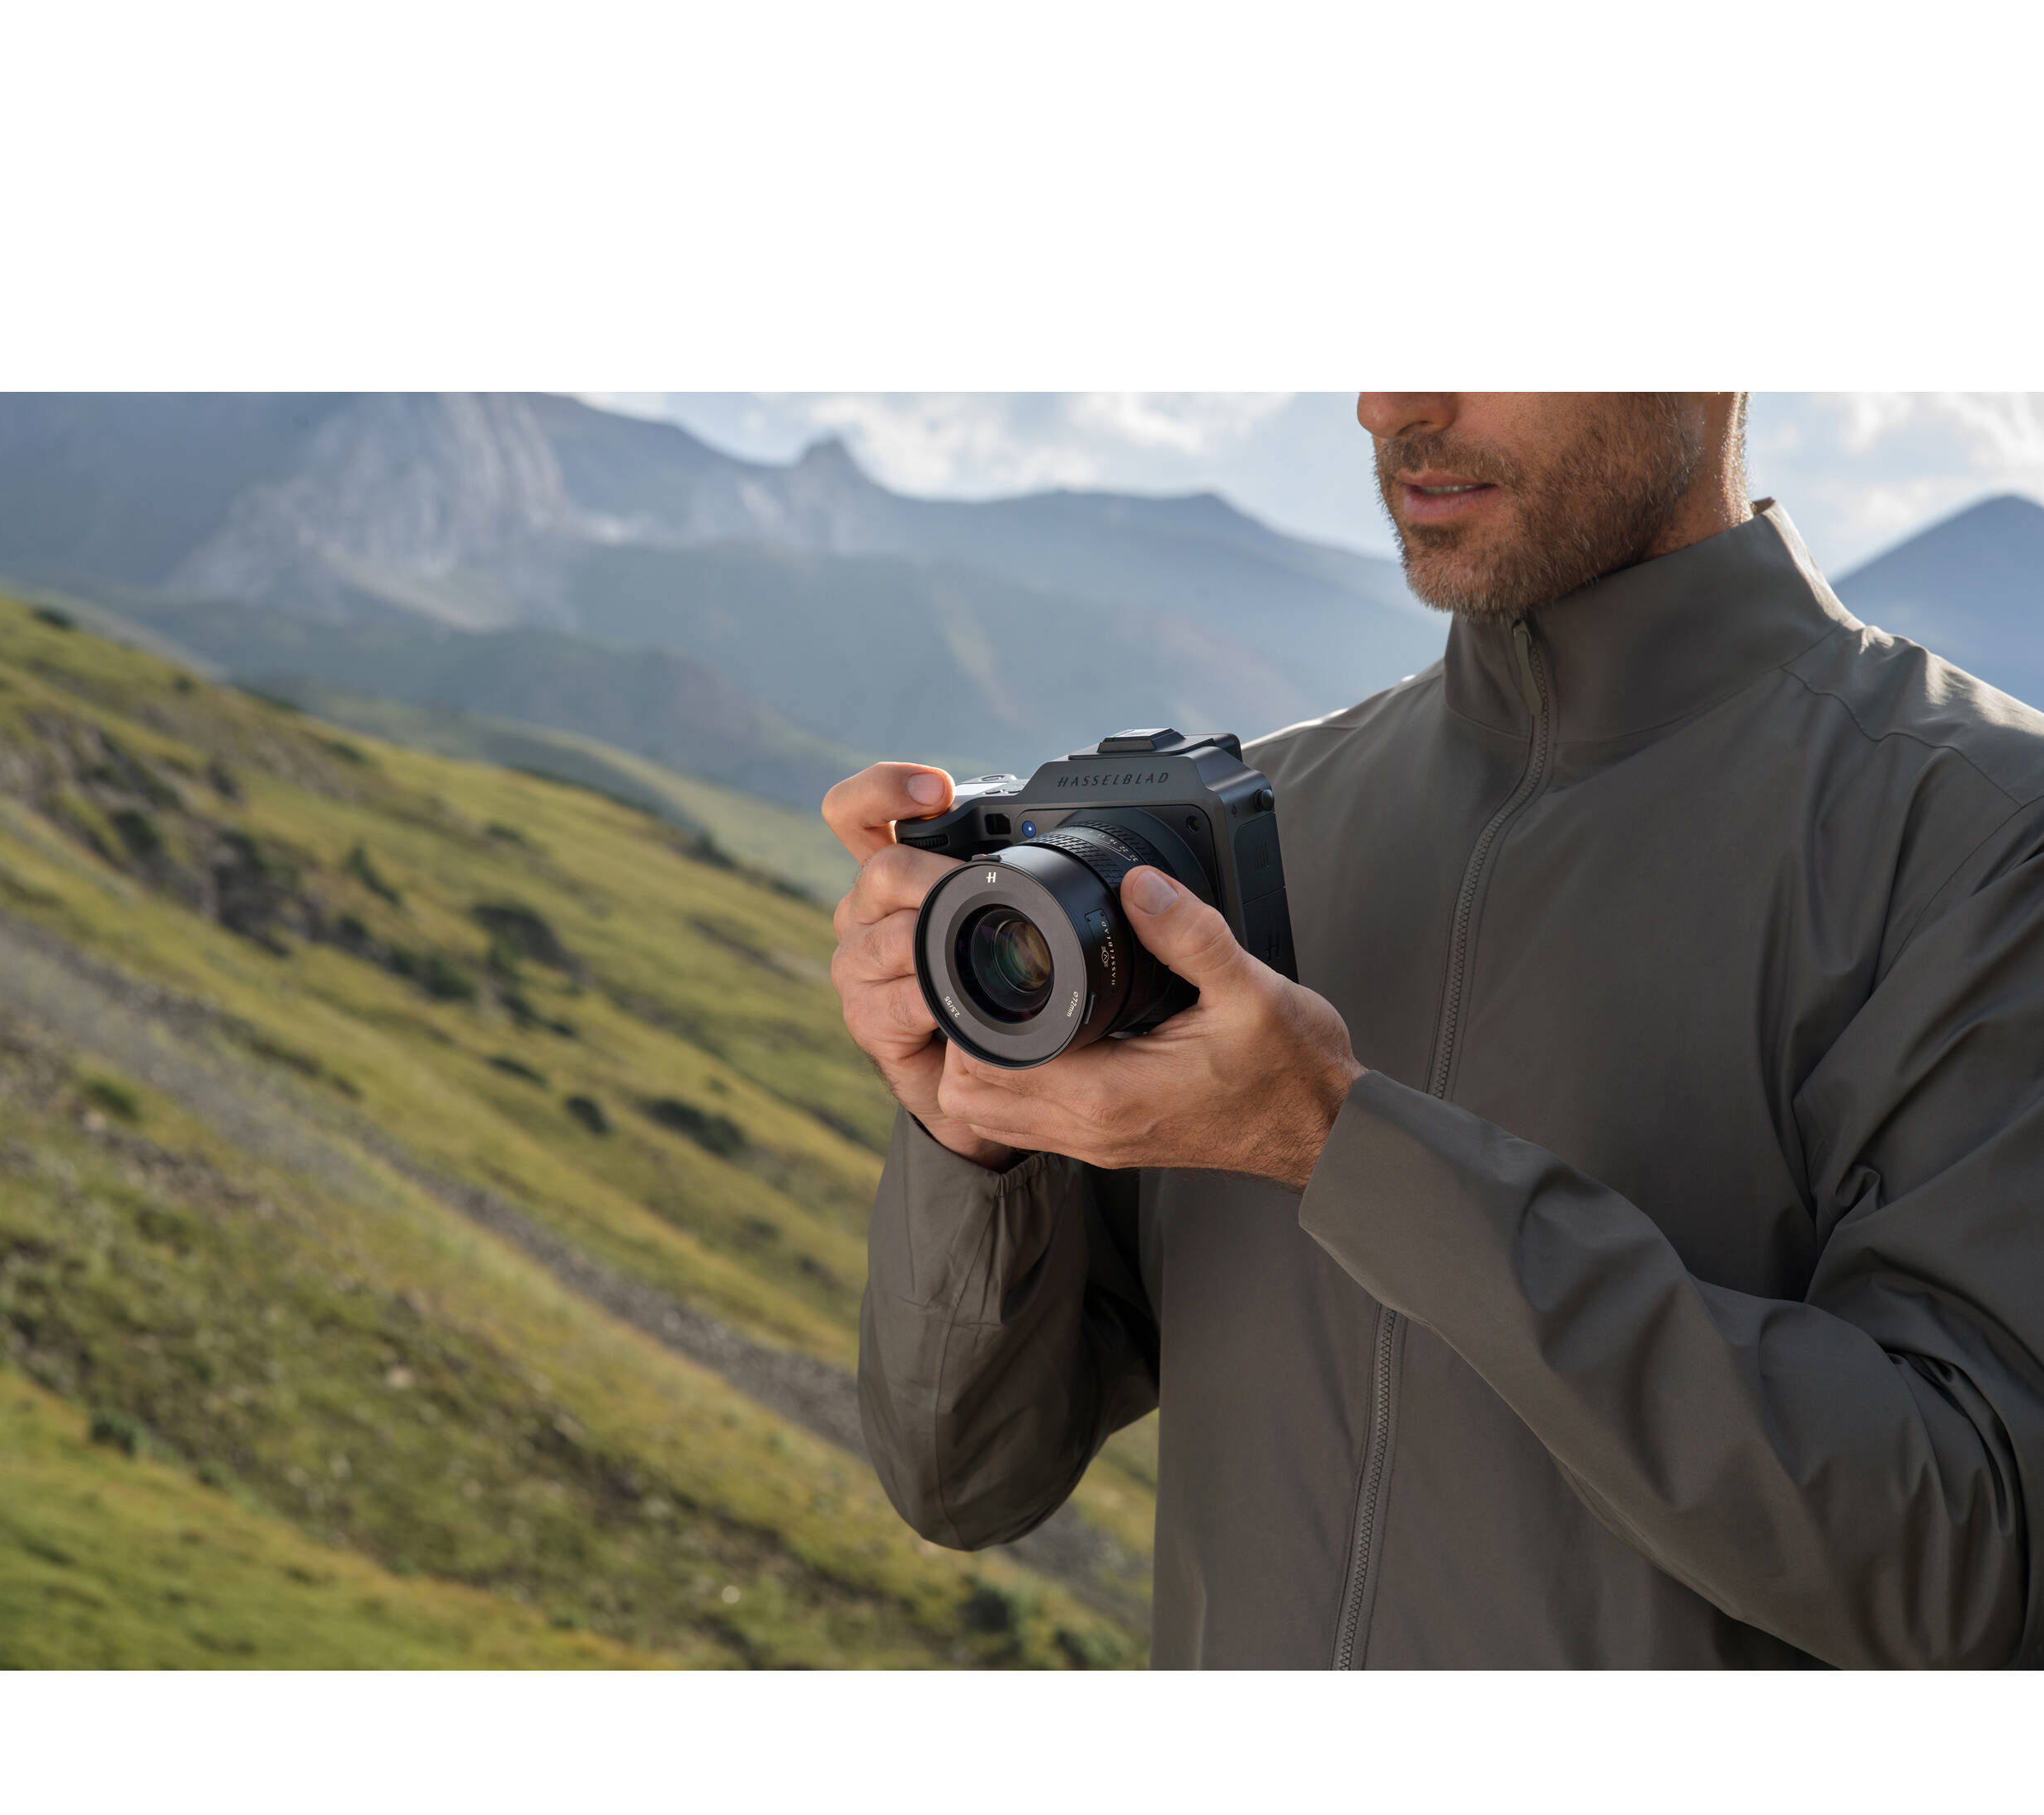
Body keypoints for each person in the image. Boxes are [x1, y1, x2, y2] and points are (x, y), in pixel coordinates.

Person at [822, 394, 2044, 1668]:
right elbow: (963, 1482)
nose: (1392, 403)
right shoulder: (1238, 842)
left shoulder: (1988, 844)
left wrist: (1339, 1145)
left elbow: (1966, 1573)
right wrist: (969, 1132)